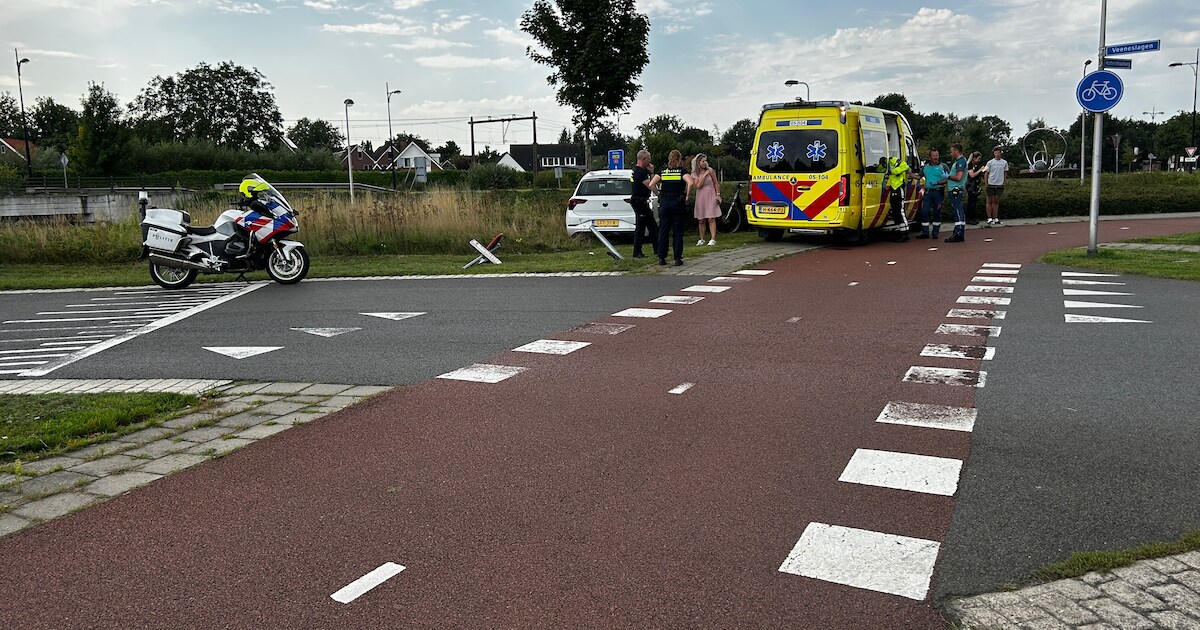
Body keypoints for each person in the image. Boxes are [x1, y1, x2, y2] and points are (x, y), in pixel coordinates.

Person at [649, 149, 692, 266]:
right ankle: (677, 258)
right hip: (677, 203)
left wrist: (659, 194)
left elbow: (651, 184)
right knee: (677, 231)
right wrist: (687, 196)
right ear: (679, 159)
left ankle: (661, 257)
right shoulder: (681, 171)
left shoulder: (663, 171)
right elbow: (691, 182)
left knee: (663, 230)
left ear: (669, 159)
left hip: (664, 203)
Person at [628, 149, 659, 258]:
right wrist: (658, 192)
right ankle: (637, 252)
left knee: (652, 226)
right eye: (649, 159)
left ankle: (658, 249)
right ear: (643, 159)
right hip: (640, 201)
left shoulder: (636, 170)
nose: (650, 161)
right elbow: (651, 185)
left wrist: (650, 172)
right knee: (641, 228)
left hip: (640, 201)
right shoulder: (640, 172)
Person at [916, 149, 949, 239]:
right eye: (934, 155)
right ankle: (925, 232)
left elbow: (948, 178)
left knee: (937, 212)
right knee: (924, 212)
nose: (936, 157)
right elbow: (918, 176)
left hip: (938, 192)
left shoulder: (943, 166)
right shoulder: (925, 167)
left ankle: (935, 232)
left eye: (937, 155)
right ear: (930, 157)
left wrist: (938, 182)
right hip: (928, 192)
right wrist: (908, 171)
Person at [691, 153, 721, 246]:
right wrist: (704, 175)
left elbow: (716, 183)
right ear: (698, 162)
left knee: (711, 218)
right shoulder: (694, 173)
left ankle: (713, 238)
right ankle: (702, 238)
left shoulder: (710, 170)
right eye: (703, 161)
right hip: (701, 196)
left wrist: (718, 195)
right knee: (701, 219)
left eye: (706, 161)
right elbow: (698, 185)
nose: (705, 163)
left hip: (711, 194)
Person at [943, 143, 968, 243]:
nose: (951, 153)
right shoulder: (961, 161)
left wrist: (947, 176)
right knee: (958, 210)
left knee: (957, 211)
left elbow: (959, 177)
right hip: (955, 189)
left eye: (952, 151)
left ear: (956, 151)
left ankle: (958, 233)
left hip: (955, 189)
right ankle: (958, 232)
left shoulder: (960, 162)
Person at [884, 155, 910, 242]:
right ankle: (900, 231)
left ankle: (904, 233)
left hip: (899, 189)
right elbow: (890, 177)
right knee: (895, 212)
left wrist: (893, 170)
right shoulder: (889, 164)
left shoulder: (898, 164)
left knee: (900, 211)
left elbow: (905, 166)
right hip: (893, 189)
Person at [984, 146, 1010, 226]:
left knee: (996, 201)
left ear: (1000, 153)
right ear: (994, 153)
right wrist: (986, 183)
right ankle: (989, 218)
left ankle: (995, 217)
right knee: (989, 200)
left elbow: (1005, 173)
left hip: (999, 184)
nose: (997, 154)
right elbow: (986, 173)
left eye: (998, 153)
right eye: (995, 153)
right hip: (991, 183)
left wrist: (1003, 182)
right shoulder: (990, 162)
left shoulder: (1004, 162)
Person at [965, 151, 984, 226]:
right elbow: (972, 175)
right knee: (971, 202)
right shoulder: (970, 165)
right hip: (970, 185)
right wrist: (980, 170)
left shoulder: (976, 165)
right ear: (974, 158)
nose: (979, 160)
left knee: (974, 201)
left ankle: (972, 217)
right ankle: (969, 218)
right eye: (978, 158)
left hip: (975, 185)